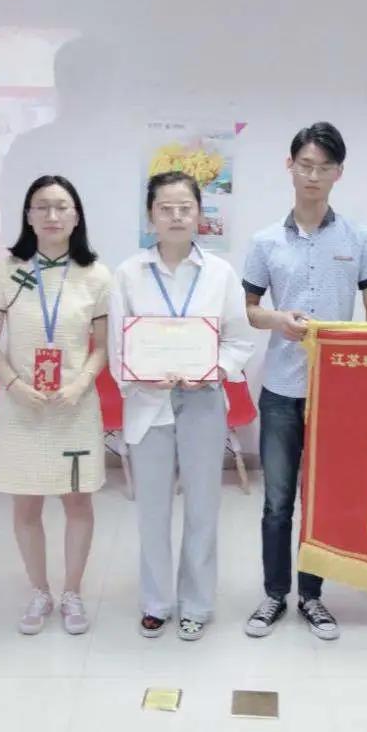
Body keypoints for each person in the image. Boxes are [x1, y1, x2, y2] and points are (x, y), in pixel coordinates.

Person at [242, 122, 367, 641]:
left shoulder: (360, 239)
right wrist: (278, 319)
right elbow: (249, 310)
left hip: (337, 395)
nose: (313, 175)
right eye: (305, 165)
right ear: (290, 166)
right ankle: (274, 594)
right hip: (282, 389)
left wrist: (361, 368)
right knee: (277, 501)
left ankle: (312, 596)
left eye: (324, 167)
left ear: (338, 174)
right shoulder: (264, 241)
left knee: (322, 500)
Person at [109, 171, 254, 641]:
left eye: (184, 208)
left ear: (198, 215)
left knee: (203, 509)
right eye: (165, 208)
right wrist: (141, 376)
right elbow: (117, 347)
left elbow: (238, 340)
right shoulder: (129, 273)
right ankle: (156, 602)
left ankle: (196, 603)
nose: (175, 216)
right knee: (151, 511)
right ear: (150, 216)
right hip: (148, 403)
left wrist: (212, 370)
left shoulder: (220, 274)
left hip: (203, 402)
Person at [0, 175, 111, 635]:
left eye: (61, 206)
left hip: (73, 407)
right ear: (28, 216)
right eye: (42, 206)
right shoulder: (7, 271)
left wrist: (81, 384)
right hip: (22, 408)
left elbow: (101, 346)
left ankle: (72, 592)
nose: (52, 216)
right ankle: (39, 591)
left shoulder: (96, 275)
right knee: (26, 507)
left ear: (76, 216)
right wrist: (13, 383)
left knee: (78, 503)